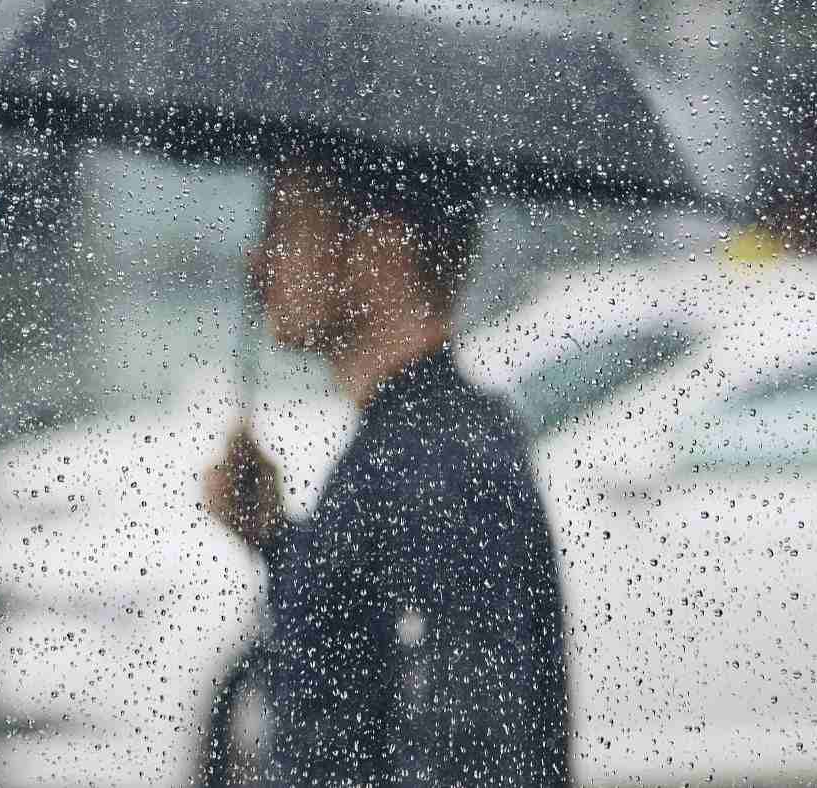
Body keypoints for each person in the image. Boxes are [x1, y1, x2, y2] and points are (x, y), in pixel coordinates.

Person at [205, 150, 569, 786]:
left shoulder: (439, 462)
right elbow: (361, 657)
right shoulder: (411, 443)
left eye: (287, 228)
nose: (256, 263)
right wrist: (274, 536)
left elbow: (475, 746)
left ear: (383, 249)